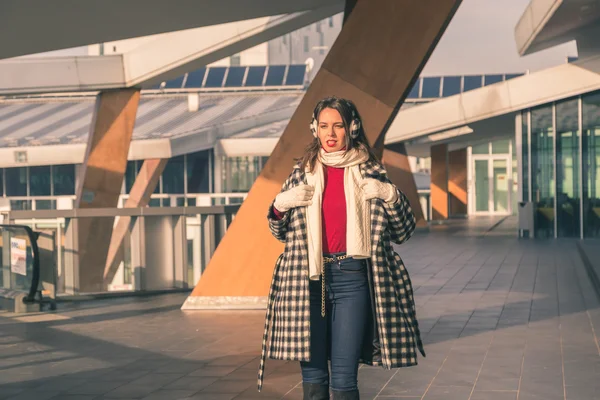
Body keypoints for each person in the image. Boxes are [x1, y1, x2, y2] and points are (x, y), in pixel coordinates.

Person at [258, 96, 425, 400]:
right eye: (324, 126)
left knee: (345, 380)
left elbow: (404, 231)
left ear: (353, 127)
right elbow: (278, 232)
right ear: (315, 129)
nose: (330, 133)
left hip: (352, 278)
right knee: (314, 377)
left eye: (337, 125)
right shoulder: (301, 173)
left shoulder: (370, 172)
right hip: (307, 280)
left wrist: (390, 196)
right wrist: (279, 207)